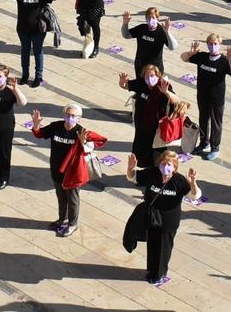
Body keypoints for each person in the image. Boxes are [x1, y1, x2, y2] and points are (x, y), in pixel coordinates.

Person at [124, 150, 201, 285]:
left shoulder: (179, 180)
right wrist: (130, 168)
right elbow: (133, 177)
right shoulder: (153, 173)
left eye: (169, 164)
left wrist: (193, 183)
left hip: (168, 221)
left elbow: (194, 196)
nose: (165, 167)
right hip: (153, 217)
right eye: (163, 163)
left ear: (175, 167)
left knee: (164, 247)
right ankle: (151, 270)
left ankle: (159, 274)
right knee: (152, 244)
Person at [30, 104, 107, 238]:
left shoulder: (82, 132)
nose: (70, 118)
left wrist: (83, 142)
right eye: (68, 115)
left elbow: (91, 147)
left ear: (79, 118)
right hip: (56, 169)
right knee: (61, 197)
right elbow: (39, 134)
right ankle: (62, 219)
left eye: (73, 116)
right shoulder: (55, 127)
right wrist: (36, 125)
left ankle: (73, 224)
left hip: (73, 173)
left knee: (72, 199)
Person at [180, 35, 231, 161]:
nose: (213, 46)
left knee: (215, 124)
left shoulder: (223, 61)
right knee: (203, 119)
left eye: (215, 43)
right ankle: (203, 143)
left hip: (216, 99)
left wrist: (230, 60)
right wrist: (191, 53)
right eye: (210, 43)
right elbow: (183, 58)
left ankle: (215, 148)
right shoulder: (202, 57)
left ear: (220, 44)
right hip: (202, 96)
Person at [0, 0, 59, 88]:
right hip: (23, 29)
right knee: (24, 52)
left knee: (38, 52)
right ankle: (25, 75)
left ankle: (38, 76)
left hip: (38, 30)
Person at [118, 65, 181, 167]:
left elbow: (176, 100)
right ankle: (144, 171)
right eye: (147, 77)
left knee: (157, 153)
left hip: (157, 128)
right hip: (141, 125)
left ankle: (158, 172)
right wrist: (122, 82)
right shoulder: (141, 83)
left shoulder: (164, 85)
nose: (149, 79)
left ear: (157, 75)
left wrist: (166, 92)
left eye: (152, 75)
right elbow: (126, 86)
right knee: (141, 152)